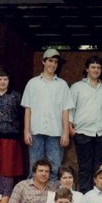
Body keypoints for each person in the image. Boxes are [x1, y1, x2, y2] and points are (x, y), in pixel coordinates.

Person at [21, 48, 74, 180]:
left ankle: (52, 199)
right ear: (43, 62)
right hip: (36, 132)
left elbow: (65, 110)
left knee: (55, 168)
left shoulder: (62, 85)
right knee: (34, 167)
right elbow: (28, 109)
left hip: (56, 133)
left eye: (56, 62)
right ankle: (32, 198)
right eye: (50, 61)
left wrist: (66, 132)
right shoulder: (32, 83)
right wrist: (26, 131)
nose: (53, 64)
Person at [69, 56, 102, 193]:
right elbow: (70, 108)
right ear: (87, 69)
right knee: (84, 167)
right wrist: (71, 128)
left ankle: (98, 196)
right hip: (82, 132)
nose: (96, 70)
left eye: (99, 67)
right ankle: (85, 196)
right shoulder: (77, 87)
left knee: (100, 167)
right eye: (93, 67)